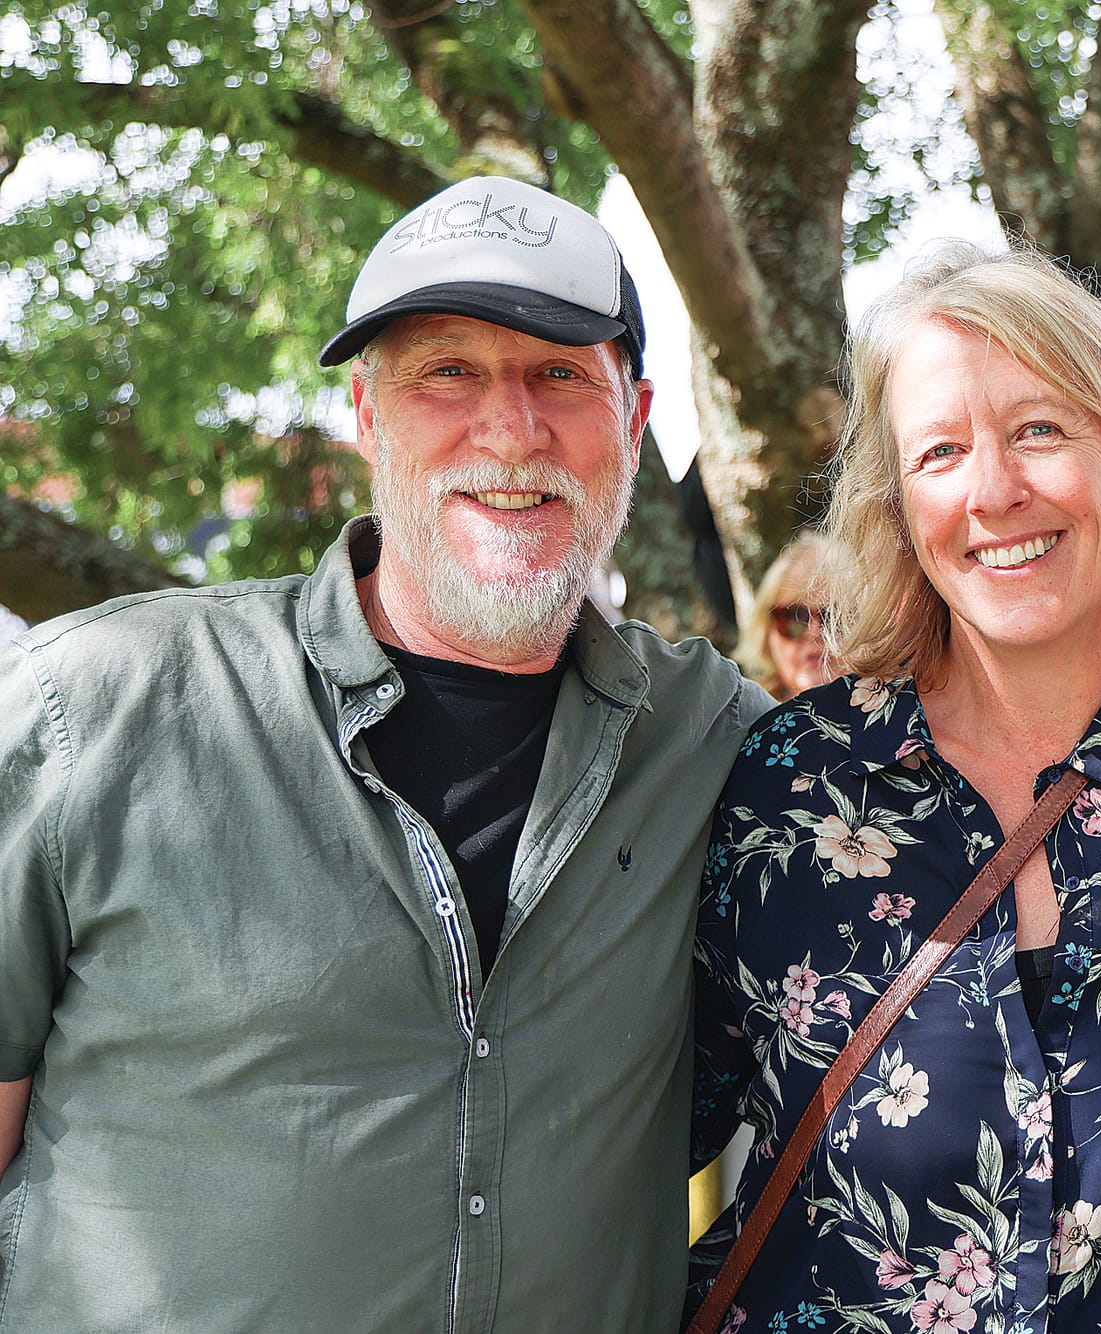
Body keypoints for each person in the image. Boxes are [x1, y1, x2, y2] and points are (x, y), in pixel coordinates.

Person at [0, 176, 778, 1330]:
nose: (510, 429)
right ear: (365, 414)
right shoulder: (93, 707)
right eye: (445, 372)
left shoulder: (719, 746)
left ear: (636, 413)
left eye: (560, 372)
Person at [689, 245, 1101, 1331]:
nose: (992, 490)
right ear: (898, 502)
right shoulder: (789, 786)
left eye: (1039, 430)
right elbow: (629, 1130)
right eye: (940, 451)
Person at [738, 529, 840, 699]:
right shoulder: (747, 721)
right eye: (794, 617)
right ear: (766, 633)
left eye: (837, 618)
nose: (814, 633)